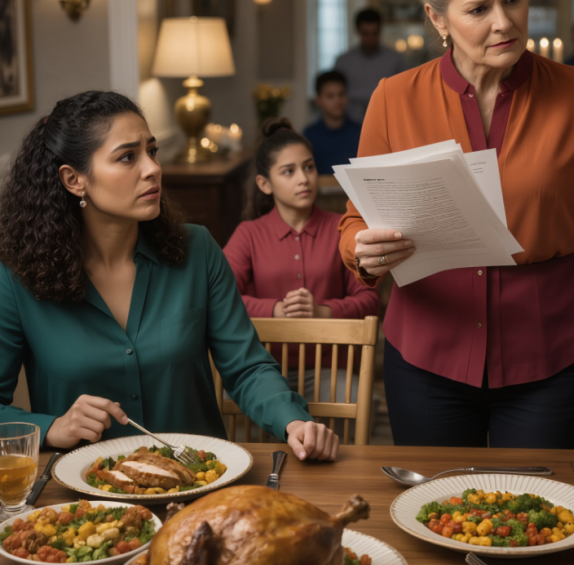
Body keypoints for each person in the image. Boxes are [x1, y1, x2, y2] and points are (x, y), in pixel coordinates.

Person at [339, 0, 574, 449]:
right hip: (425, 354)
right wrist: (360, 249)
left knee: (543, 520)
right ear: (437, 19)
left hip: (551, 352)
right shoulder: (393, 98)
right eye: (478, 9)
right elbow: (358, 220)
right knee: (434, 515)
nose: (504, 22)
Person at [0, 91, 338, 462]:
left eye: (152, 151)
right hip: (88, 501)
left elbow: (247, 367)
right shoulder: (16, 277)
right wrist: (53, 427)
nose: (152, 168)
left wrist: (293, 422)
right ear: (73, 180)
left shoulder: (198, 250)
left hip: (201, 485)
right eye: (128, 157)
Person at [224, 118, 379, 398]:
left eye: (308, 167)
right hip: (262, 367)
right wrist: (275, 311)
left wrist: (323, 312)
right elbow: (220, 298)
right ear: (264, 183)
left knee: (354, 395)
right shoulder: (248, 234)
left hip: (331, 369)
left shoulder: (342, 228)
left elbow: (370, 299)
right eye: (288, 171)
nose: (303, 178)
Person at [334, 8, 408, 123]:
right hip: (350, 124)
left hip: (387, 120)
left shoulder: (395, 59)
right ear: (357, 31)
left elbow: (405, 92)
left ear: (380, 31)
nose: (370, 39)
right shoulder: (343, 61)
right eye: (366, 34)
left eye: (374, 34)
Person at [303, 71, 362, 174]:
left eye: (341, 94)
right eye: (330, 96)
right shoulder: (309, 135)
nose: (337, 101)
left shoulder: (360, 132)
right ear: (318, 100)